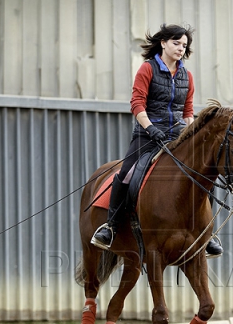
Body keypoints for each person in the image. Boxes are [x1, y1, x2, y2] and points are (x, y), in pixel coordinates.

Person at [91, 23, 223, 257]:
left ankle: (207, 234)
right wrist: (151, 128)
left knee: (204, 173)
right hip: (147, 134)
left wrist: (190, 135)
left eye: (184, 45)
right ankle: (110, 227)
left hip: (178, 135)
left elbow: (188, 110)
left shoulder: (187, 76)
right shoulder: (147, 69)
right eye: (176, 43)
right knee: (126, 174)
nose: (181, 48)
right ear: (163, 43)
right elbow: (137, 104)